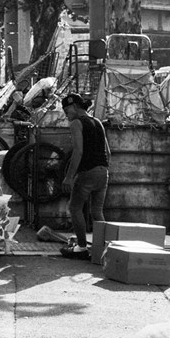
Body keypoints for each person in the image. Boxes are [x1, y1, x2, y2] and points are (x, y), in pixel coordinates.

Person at [59, 92, 110, 259]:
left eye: (67, 111)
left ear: (74, 107)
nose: (66, 115)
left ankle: (81, 247)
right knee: (97, 211)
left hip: (87, 172)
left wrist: (68, 176)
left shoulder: (76, 124)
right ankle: (102, 249)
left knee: (75, 208)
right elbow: (108, 152)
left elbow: (78, 152)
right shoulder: (98, 122)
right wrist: (101, 168)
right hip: (103, 172)